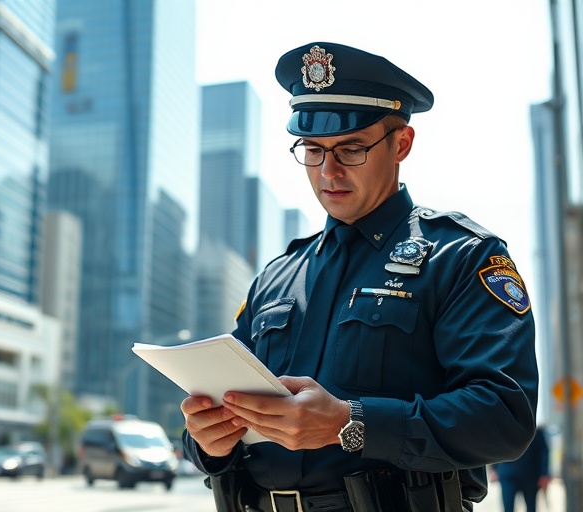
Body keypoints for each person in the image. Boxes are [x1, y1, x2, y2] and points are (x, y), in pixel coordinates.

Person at [181, 42, 538, 512]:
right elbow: (215, 414)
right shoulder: (277, 276)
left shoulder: (460, 256)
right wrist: (206, 439)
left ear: (402, 144)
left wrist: (350, 423)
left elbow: (504, 418)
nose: (329, 171)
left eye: (351, 148)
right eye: (312, 150)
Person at [490, 427, 550, 511]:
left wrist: (544, 474)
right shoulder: (503, 424)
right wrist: (493, 469)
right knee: (508, 508)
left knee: (531, 507)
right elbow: (496, 447)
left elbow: (544, 451)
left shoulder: (536, 428)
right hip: (508, 474)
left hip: (530, 475)